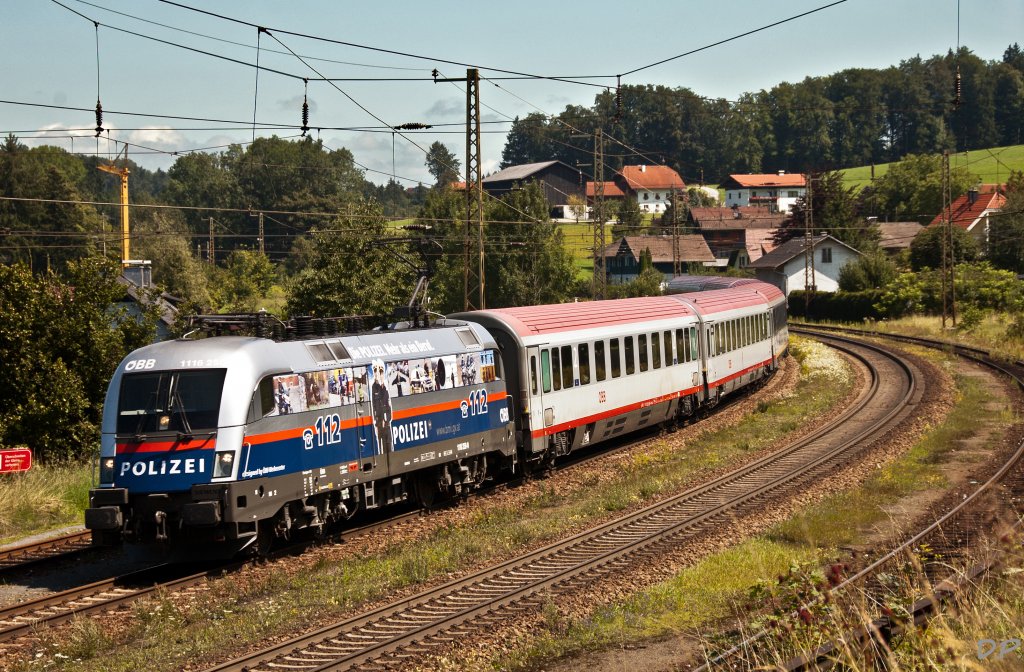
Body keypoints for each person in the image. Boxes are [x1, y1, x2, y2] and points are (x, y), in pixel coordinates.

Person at [369, 360, 393, 454]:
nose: (377, 374)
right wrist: (376, 421)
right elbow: (374, 405)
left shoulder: (385, 386)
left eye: (380, 372)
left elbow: (387, 403)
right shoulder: (374, 386)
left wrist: (388, 418)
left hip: (386, 422)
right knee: (381, 446)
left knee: (389, 444)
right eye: (375, 371)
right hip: (379, 422)